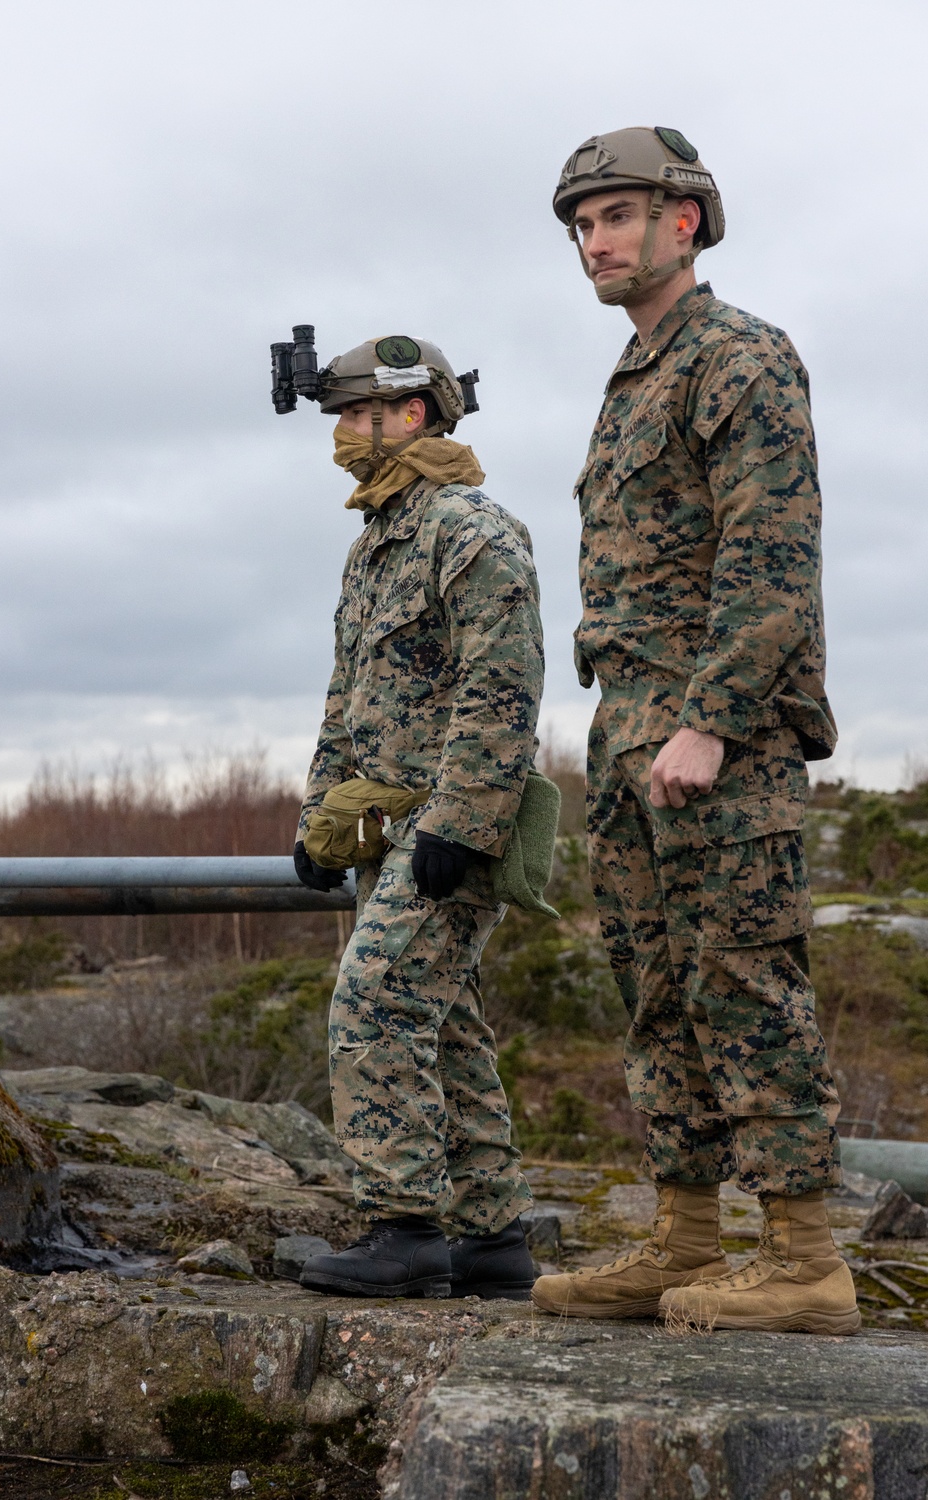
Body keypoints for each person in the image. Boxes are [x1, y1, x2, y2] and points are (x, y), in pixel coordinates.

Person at [531, 128, 860, 1334]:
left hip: (716, 736)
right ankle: (683, 1234)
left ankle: (803, 1258)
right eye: (581, 224)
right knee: (655, 988)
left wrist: (712, 721)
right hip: (632, 732)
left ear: (686, 220)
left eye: (617, 213)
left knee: (742, 977)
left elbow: (772, 559)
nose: (596, 240)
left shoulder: (737, 356)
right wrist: (637, 730)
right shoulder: (635, 379)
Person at [293, 335, 542, 1299]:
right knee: (444, 1025)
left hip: (448, 828)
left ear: (413, 415)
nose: (344, 437)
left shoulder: (469, 530)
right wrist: (322, 820)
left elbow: (504, 679)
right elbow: (346, 696)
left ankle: (403, 1229)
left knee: (377, 1000)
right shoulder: (376, 545)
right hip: (388, 827)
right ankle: (491, 1238)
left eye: (357, 414)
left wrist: (463, 820)